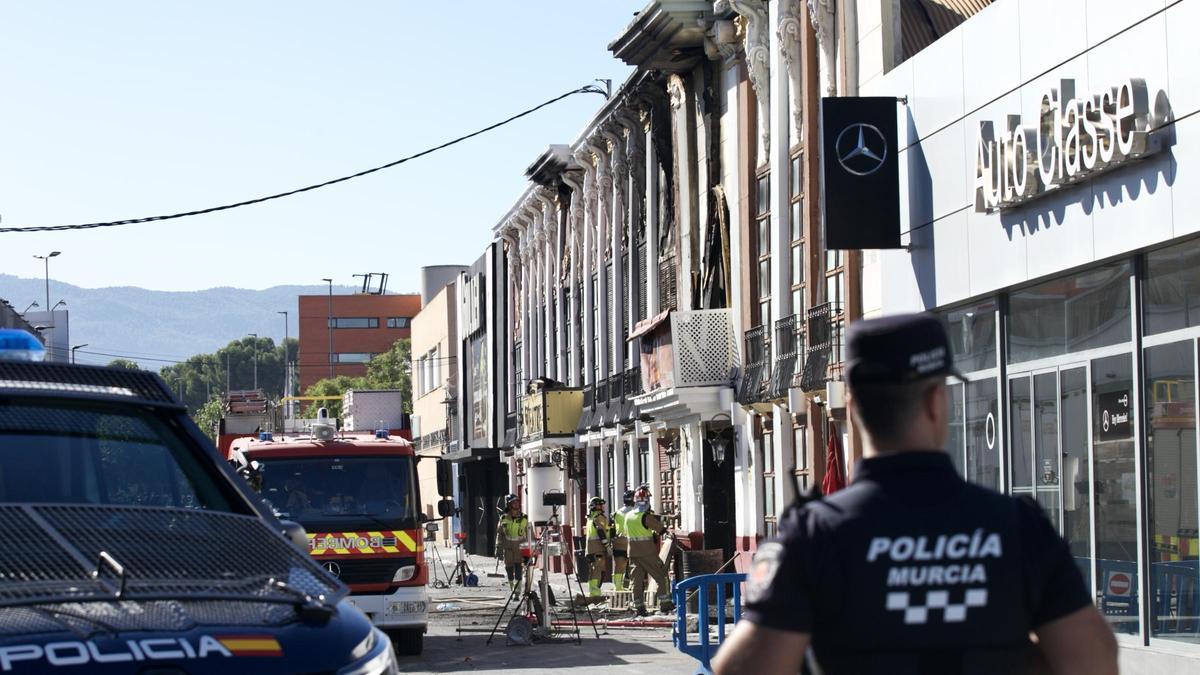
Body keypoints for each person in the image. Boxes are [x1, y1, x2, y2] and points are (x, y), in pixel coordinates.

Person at [713, 313, 1118, 675]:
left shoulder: (814, 536)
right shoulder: (1017, 527)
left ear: (852, 406)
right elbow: (1093, 662)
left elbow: (742, 667)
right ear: (935, 401)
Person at [626, 484, 670, 616]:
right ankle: (665, 604)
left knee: (637, 581)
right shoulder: (646, 517)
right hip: (647, 553)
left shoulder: (629, 516)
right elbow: (660, 529)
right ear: (646, 501)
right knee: (661, 576)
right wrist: (667, 530)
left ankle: (639, 607)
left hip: (632, 553)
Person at [495, 494, 530, 592]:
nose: (516, 504)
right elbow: (499, 534)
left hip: (520, 548)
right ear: (509, 505)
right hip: (508, 549)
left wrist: (531, 548)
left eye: (517, 502)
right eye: (514, 502)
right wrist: (498, 547)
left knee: (519, 570)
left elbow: (529, 534)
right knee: (509, 569)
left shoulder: (524, 518)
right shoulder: (504, 518)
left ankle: (517, 591)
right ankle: (512, 587)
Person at [585, 496, 610, 598]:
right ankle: (595, 593)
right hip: (598, 549)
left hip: (590, 550)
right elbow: (601, 532)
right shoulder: (599, 517)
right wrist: (607, 546)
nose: (603, 507)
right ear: (597, 506)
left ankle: (592, 591)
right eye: (601, 505)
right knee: (598, 570)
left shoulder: (590, 518)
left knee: (593, 570)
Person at [611, 489, 635, 591]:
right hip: (632, 542)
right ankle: (632, 587)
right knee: (633, 567)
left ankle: (618, 587)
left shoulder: (617, 513)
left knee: (619, 566)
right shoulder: (635, 513)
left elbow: (613, 527)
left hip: (618, 543)